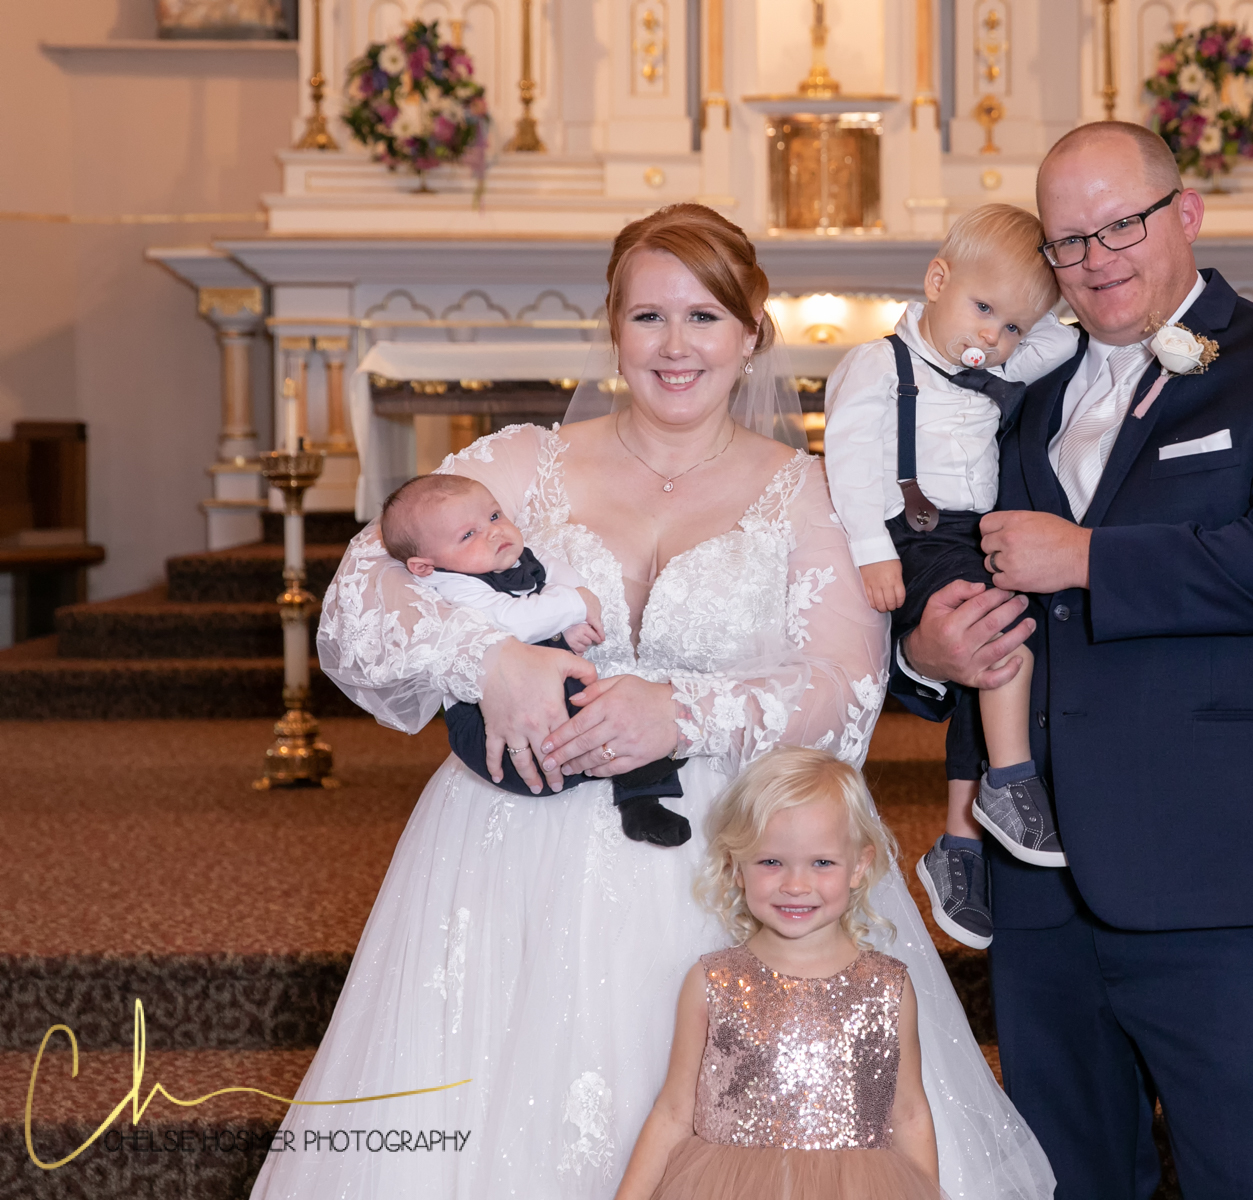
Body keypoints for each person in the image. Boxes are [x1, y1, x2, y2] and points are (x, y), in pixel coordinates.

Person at [252, 203, 1054, 1200]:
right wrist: (490, 662)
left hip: (727, 862)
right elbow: (355, 602)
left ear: (751, 333)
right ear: (614, 329)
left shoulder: (811, 492)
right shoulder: (520, 464)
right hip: (505, 856)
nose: (676, 346)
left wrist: (679, 712)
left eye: (704, 317)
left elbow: (843, 695)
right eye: (648, 317)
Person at [890, 123, 1253, 1198]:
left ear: (1187, 213)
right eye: (1069, 241)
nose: (1096, 259)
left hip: (1217, 867)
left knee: (1252, 1181)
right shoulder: (1014, 387)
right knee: (1068, 1180)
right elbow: (938, 553)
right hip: (1040, 887)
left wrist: (1084, 558)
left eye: (1121, 226)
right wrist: (924, 648)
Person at [824, 204, 1077, 950]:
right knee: (1004, 643)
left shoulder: (996, 361)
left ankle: (960, 843)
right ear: (937, 281)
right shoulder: (879, 364)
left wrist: (1030, 307)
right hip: (913, 534)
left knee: (986, 670)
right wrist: (871, 549)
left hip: (974, 535)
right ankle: (1011, 780)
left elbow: (1064, 340)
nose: (993, 338)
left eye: (1012, 327)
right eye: (983, 309)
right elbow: (848, 459)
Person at [616, 747, 942, 1200]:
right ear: (736, 867)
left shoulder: (887, 987)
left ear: (859, 866)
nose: (795, 885)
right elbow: (673, 1113)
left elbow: (908, 1114)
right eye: (771, 862)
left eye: (822, 862)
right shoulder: (712, 982)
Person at [380, 472, 691, 845]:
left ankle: (642, 802)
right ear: (424, 566)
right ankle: (626, 783)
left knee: (618, 715)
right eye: (468, 534)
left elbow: (562, 576)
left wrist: (572, 617)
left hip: (551, 686)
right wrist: (575, 604)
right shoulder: (450, 584)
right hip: (489, 721)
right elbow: (514, 620)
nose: (493, 532)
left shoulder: (516, 556)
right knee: (558, 749)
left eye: (494, 516)